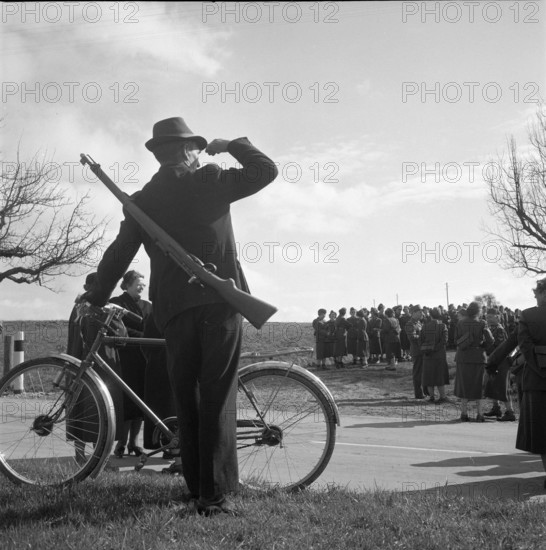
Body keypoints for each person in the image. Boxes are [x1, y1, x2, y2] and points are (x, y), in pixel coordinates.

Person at [83, 116, 278, 516]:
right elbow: (266, 170)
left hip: (172, 309)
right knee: (216, 397)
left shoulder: (143, 201)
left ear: (159, 154)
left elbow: (119, 254)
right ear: (189, 150)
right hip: (218, 305)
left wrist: (97, 294)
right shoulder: (208, 180)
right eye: (197, 148)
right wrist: (232, 144)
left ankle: (197, 488)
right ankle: (215, 494)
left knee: (186, 402)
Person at [109, 270, 150, 458]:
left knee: (140, 402)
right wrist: (145, 337)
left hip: (143, 359)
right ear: (127, 284)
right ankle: (121, 444)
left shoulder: (146, 305)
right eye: (138, 282)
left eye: (143, 283)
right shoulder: (117, 303)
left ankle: (134, 443)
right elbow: (120, 329)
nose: (142, 286)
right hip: (126, 358)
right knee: (127, 401)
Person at [516, 278, 546, 489]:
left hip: (537, 382)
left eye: (536, 293)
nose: (535, 296)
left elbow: (526, 348)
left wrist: (540, 371)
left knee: (542, 432)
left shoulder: (528, 315)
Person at [454, 301, 494, 422]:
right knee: (478, 385)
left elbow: (456, 340)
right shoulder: (482, 323)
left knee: (464, 385)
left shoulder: (460, 323)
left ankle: (464, 414)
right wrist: (483, 346)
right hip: (478, 357)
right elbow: (491, 340)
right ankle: (479, 414)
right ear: (478, 311)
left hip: (463, 357)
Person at [483, 309, 515, 421]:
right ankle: (496, 408)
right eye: (487, 316)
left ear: (497, 317)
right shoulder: (491, 328)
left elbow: (501, 348)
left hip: (500, 361)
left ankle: (510, 412)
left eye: (491, 316)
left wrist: (486, 346)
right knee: (492, 384)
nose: (488, 318)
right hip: (493, 360)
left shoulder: (499, 330)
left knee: (502, 387)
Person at [420, 307, 449, 402]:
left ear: (430, 315)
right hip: (439, 355)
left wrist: (428, 349)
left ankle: (431, 397)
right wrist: (435, 348)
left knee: (429, 376)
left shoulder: (424, 326)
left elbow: (421, 341)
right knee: (439, 376)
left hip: (427, 355)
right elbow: (444, 341)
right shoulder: (443, 326)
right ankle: (442, 397)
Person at [405, 305, 428, 399]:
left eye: (421, 312)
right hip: (417, 351)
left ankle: (425, 392)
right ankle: (418, 393)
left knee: (423, 372)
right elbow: (412, 337)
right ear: (413, 313)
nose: (422, 313)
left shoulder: (418, 322)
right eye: (419, 312)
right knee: (418, 373)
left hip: (422, 350)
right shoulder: (410, 324)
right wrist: (423, 338)